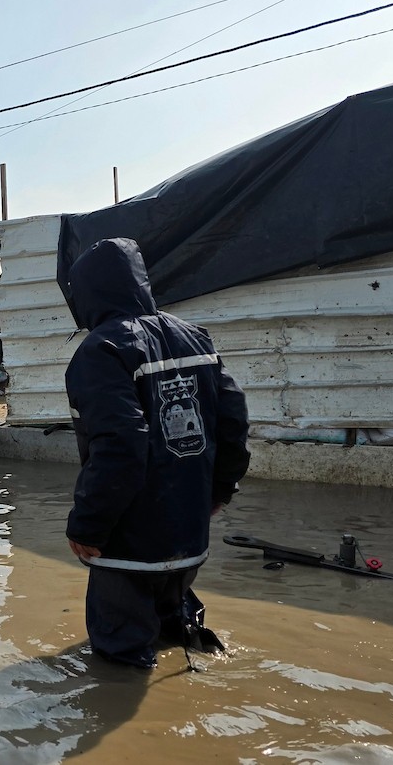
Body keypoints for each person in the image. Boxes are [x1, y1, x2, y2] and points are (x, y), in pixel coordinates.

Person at [62, 238, 250, 669]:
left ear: (85, 295)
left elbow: (121, 445)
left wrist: (87, 525)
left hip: (131, 541)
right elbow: (234, 423)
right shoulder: (195, 338)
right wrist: (220, 489)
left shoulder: (101, 350)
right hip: (189, 530)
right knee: (173, 629)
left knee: (119, 664)